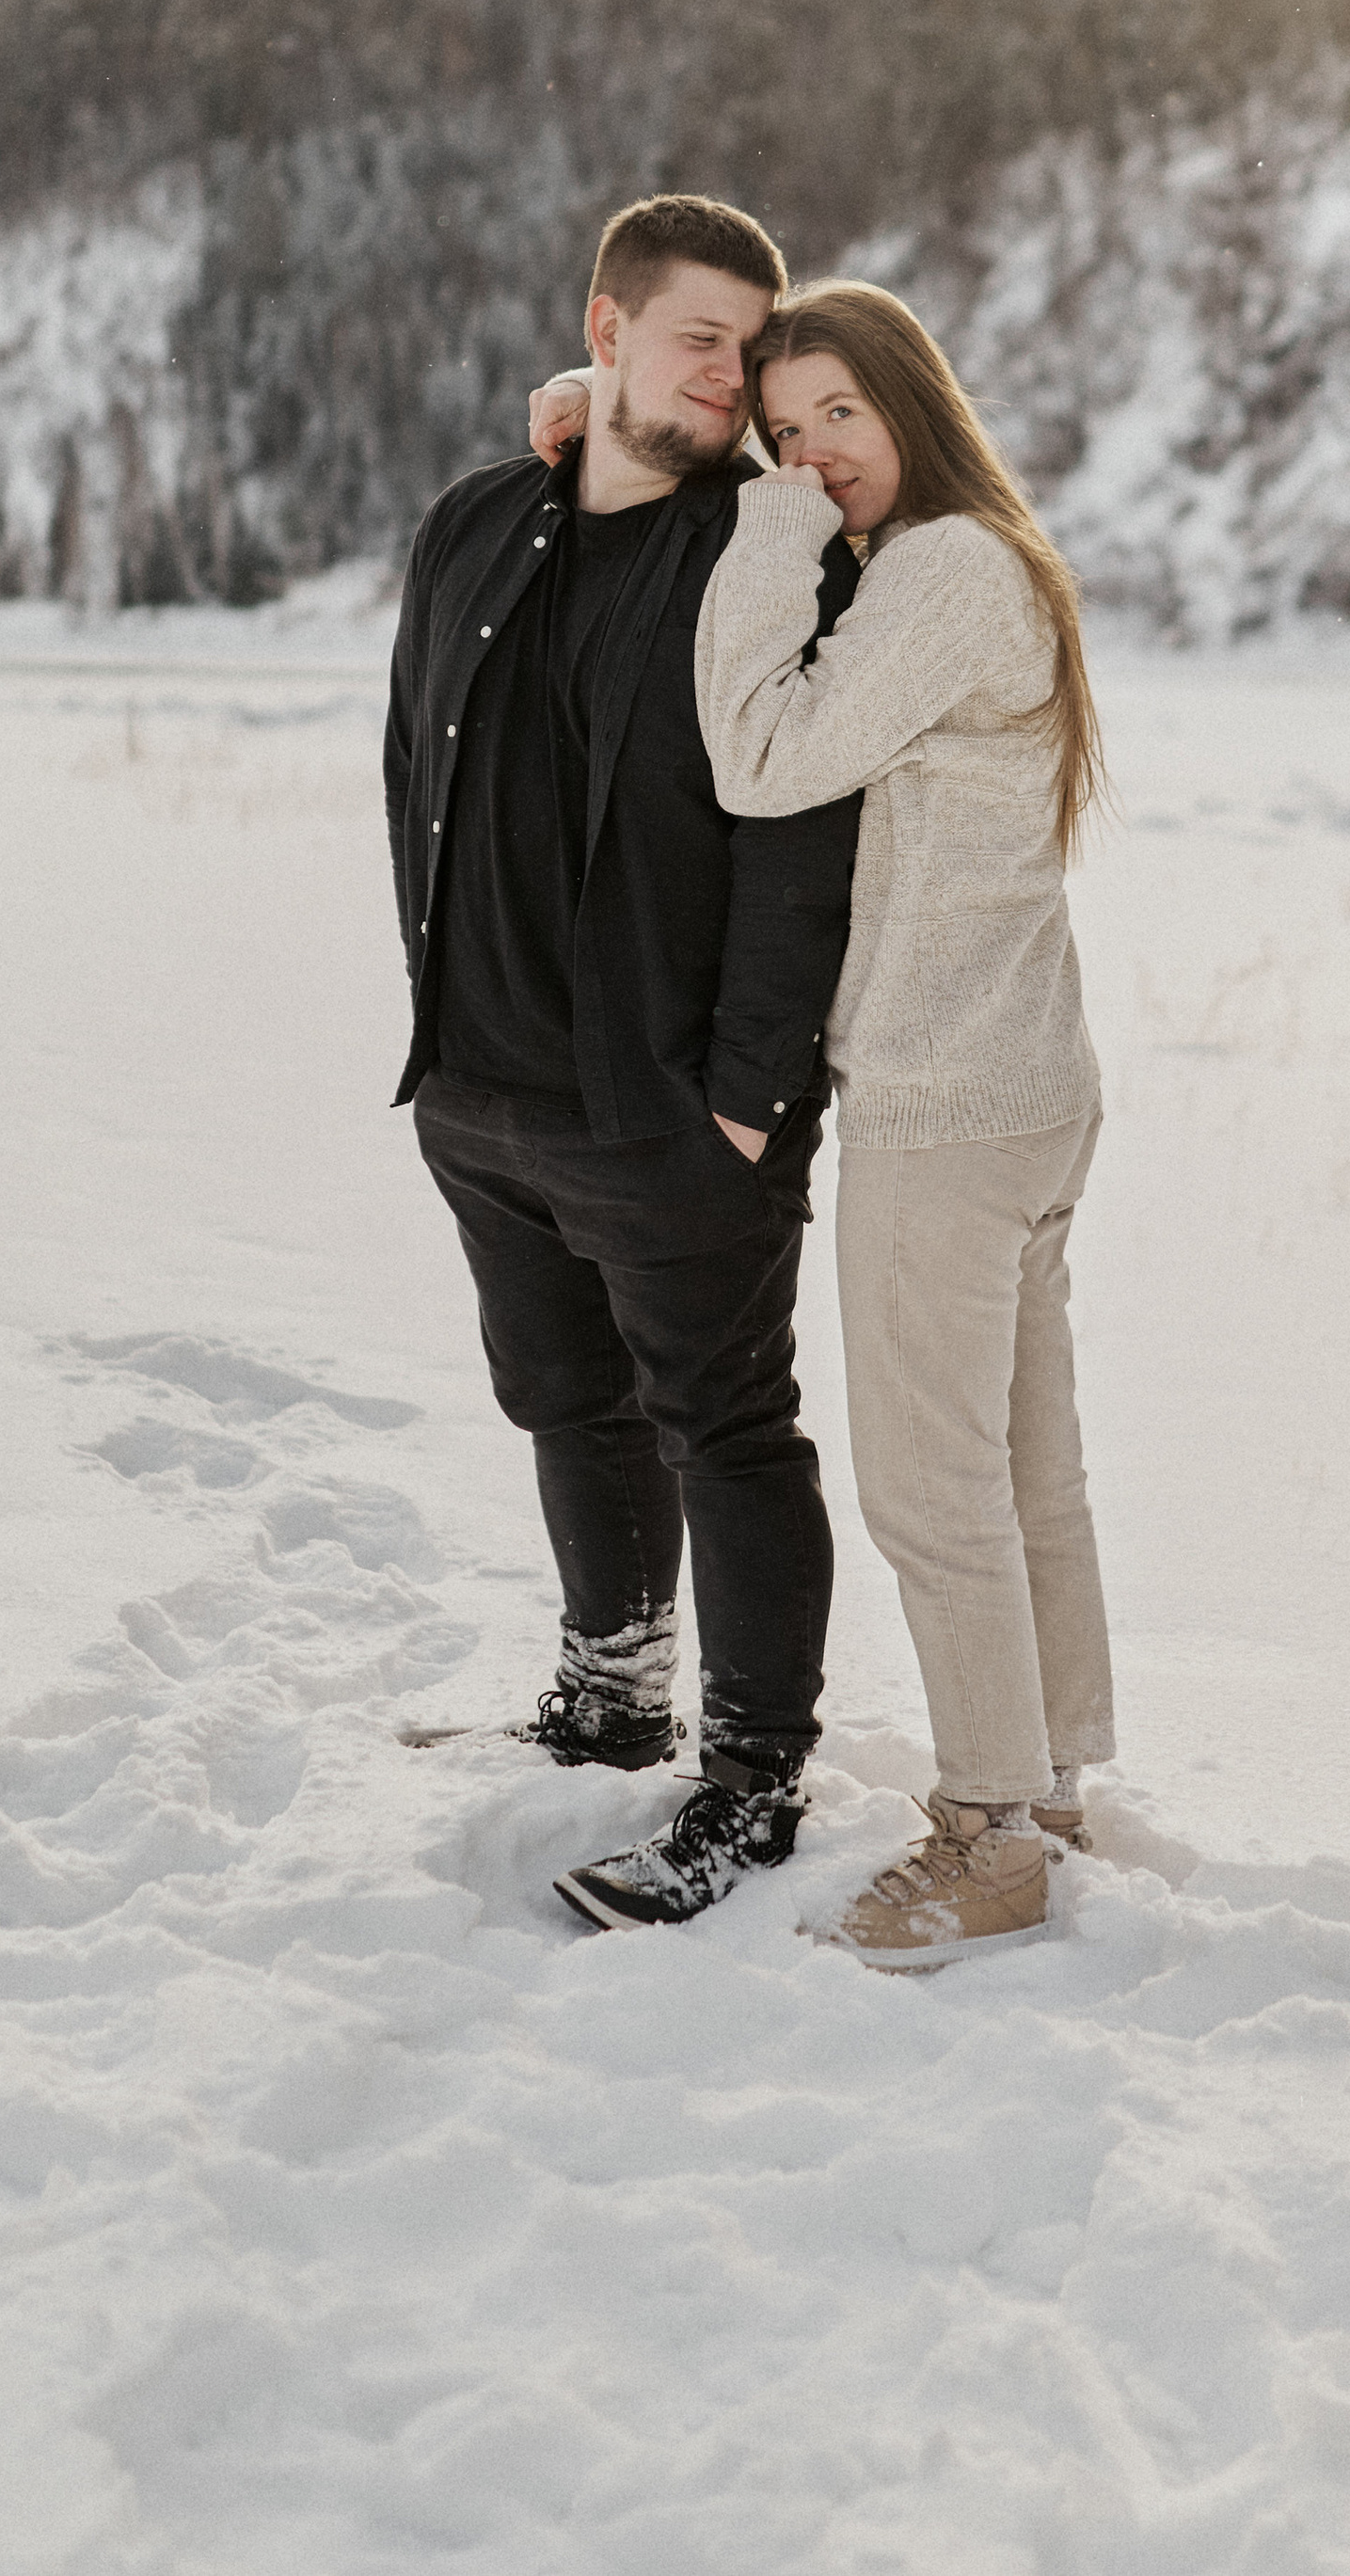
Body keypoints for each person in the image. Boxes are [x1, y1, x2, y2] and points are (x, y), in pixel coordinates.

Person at [533, 278, 1114, 1965]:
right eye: (783, 436)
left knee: (935, 1486)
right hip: (1023, 1089)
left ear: (913, 405)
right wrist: (581, 415)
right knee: (1025, 1468)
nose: (810, 460)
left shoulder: (937, 571)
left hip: (949, 1104)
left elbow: (759, 753)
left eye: (839, 420)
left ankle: (992, 1832)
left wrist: (764, 532)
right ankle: (1054, 1780)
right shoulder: (984, 564)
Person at [387, 195, 861, 1934]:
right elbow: (408, 772)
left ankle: (749, 1780)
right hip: (487, 1091)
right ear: (604, 326)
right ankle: (613, 1692)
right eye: (697, 338)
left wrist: (751, 1091)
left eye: (751, 345)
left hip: (673, 1109)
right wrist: (438, 1029)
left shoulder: (762, 549)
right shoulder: (472, 528)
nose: (730, 377)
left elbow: (800, 836)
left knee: (727, 1429)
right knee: (564, 1404)